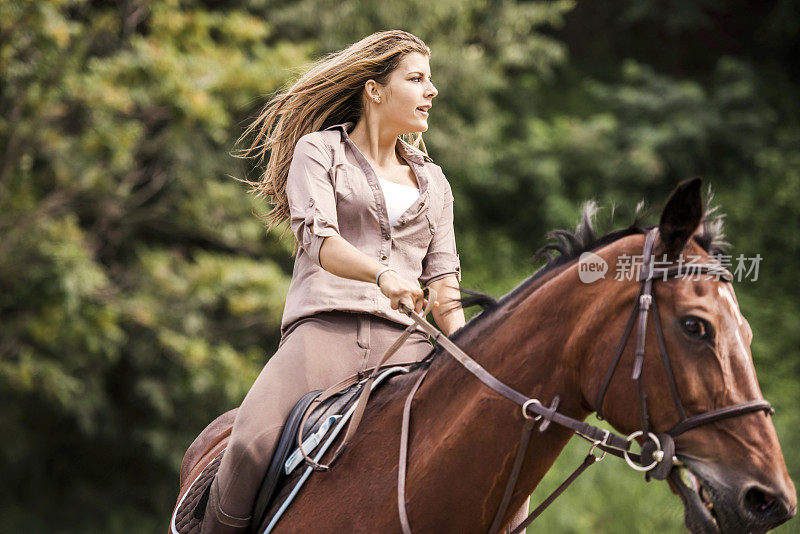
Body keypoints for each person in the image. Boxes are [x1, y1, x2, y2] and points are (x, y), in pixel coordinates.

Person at [201, 30, 526, 533]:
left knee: (498, 449)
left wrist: (465, 350)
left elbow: (443, 279)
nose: (431, 91)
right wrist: (383, 276)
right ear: (375, 90)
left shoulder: (435, 182)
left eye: (430, 79)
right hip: (322, 335)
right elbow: (320, 241)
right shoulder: (319, 152)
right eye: (416, 79)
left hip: (408, 347)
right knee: (247, 446)